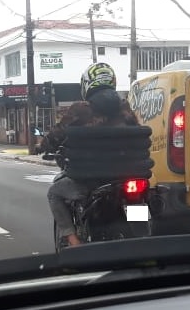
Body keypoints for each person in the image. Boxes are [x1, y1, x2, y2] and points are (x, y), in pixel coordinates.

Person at [37, 62, 139, 247]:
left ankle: (73, 241)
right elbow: (138, 133)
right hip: (126, 177)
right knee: (138, 202)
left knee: (55, 193)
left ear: (87, 84)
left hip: (90, 181)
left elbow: (58, 133)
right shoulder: (125, 108)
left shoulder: (81, 109)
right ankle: (142, 232)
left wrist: (43, 145)